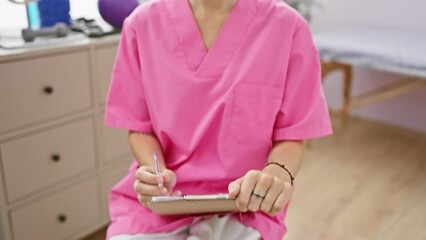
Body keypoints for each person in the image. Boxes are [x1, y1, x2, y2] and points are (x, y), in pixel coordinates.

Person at [103, 0, 333, 239]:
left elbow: (292, 133)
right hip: (160, 203)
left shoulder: (288, 27)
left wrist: (277, 173)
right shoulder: (141, 25)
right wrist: (155, 175)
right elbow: (140, 126)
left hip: (245, 204)